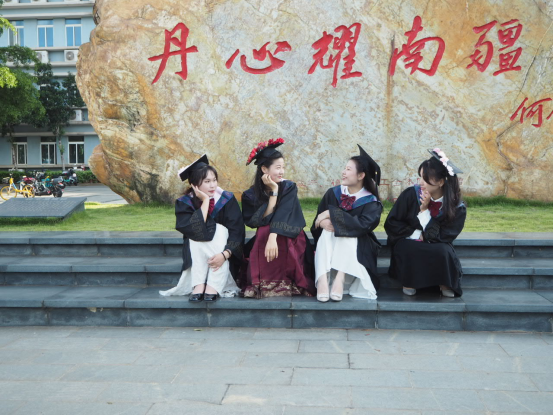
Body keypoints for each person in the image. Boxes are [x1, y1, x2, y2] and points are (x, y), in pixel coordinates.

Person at [159, 155, 244, 302]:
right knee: (196, 232)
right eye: (207, 181)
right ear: (194, 185)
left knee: (220, 229)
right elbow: (195, 229)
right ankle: (199, 284)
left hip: (225, 251)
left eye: (214, 180)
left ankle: (213, 285)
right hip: (196, 250)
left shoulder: (226, 199)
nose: (212, 186)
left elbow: (237, 230)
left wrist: (225, 254)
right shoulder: (185, 203)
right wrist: (205, 201)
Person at [384, 148, 466, 297]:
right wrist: (416, 234)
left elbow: (443, 236)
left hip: (437, 242)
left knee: (443, 250)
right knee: (408, 247)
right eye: (420, 177)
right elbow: (392, 223)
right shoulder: (411, 194)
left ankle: (444, 282)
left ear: (440, 182)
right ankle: (409, 281)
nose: (420, 182)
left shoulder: (456, 207)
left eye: (425, 178)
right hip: (409, 238)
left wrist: (424, 211)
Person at [240, 138, 316, 298]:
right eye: (278, 167)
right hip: (266, 235)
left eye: (283, 167)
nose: (282, 172)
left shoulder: (289, 187)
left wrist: (273, 237)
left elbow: (284, 213)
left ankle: (289, 281)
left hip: (289, 233)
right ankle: (263, 282)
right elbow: (258, 221)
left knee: (273, 232)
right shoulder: (250, 195)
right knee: (264, 230)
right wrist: (274, 193)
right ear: (264, 169)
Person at [311, 145, 383, 302]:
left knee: (347, 231)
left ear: (361, 175)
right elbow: (316, 222)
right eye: (345, 168)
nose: (343, 172)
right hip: (329, 242)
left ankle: (340, 278)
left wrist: (331, 214)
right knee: (328, 230)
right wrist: (322, 223)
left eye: (348, 169)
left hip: (359, 247)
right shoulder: (333, 193)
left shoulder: (372, 202)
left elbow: (362, 226)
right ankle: (322, 279)